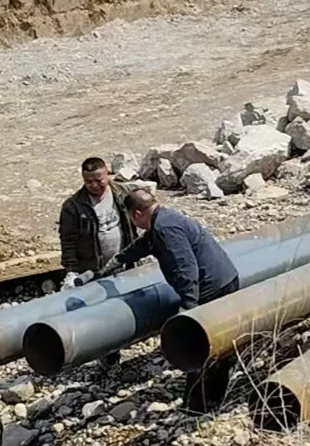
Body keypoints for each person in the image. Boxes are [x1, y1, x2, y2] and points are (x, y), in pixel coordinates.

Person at [113, 189, 240, 412]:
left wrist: (189, 308)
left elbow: (186, 269)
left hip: (212, 289)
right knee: (221, 342)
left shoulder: (164, 229)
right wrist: (115, 262)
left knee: (201, 346)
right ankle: (217, 397)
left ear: (136, 214)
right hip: (225, 279)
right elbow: (143, 245)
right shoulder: (164, 218)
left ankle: (197, 406)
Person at [58, 157, 139, 290]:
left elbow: (138, 222)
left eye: (98, 180)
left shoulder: (123, 193)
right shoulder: (73, 207)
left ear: (107, 174)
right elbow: (68, 241)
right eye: (89, 181)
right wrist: (72, 271)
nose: (94, 185)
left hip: (124, 265)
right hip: (92, 271)